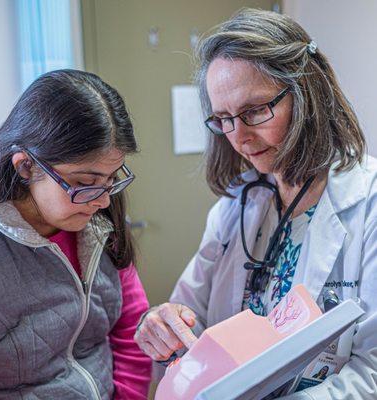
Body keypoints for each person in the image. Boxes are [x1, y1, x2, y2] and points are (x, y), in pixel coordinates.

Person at [134, 8, 377, 399]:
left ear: (306, 93)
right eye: (223, 118)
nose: (239, 137)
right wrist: (159, 324)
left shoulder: (369, 205)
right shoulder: (234, 209)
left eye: (254, 111)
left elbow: (372, 373)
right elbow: (189, 321)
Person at [0, 69, 152, 399]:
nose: (102, 200)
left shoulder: (99, 221)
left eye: (112, 178)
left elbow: (131, 329)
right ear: (25, 166)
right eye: (84, 183)